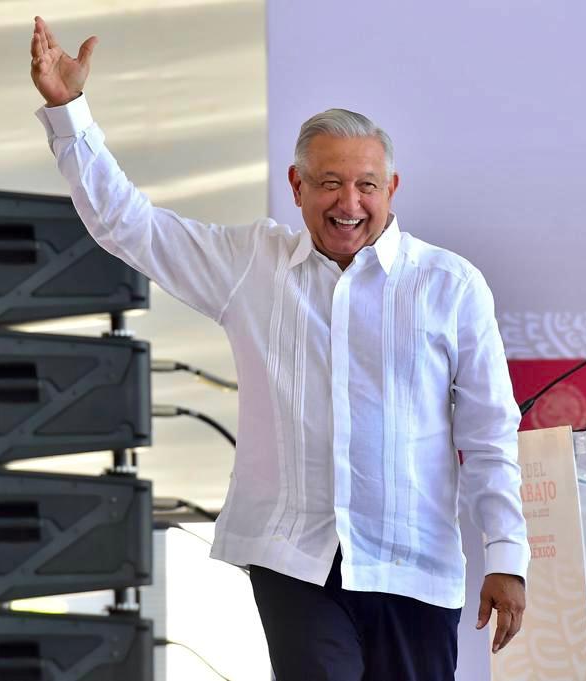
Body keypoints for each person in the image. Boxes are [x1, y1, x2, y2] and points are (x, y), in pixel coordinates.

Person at [29, 16, 528, 681]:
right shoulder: (251, 265)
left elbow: (489, 433)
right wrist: (71, 113)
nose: (349, 202)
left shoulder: (450, 286)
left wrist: (507, 555)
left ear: (392, 190)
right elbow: (130, 226)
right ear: (297, 186)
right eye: (329, 182)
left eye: (367, 185)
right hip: (296, 561)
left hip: (414, 566)